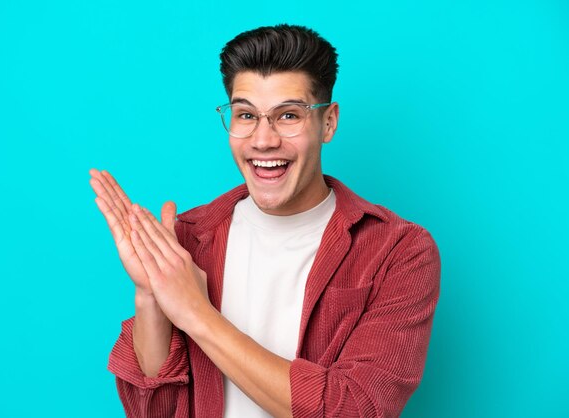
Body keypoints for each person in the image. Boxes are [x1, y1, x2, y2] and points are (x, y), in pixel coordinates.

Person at [89, 24, 440, 418]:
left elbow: (355, 409)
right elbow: (152, 411)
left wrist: (197, 315)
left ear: (328, 122)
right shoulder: (185, 239)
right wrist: (151, 296)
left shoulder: (399, 252)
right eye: (245, 115)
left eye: (288, 115)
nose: (263, 140)